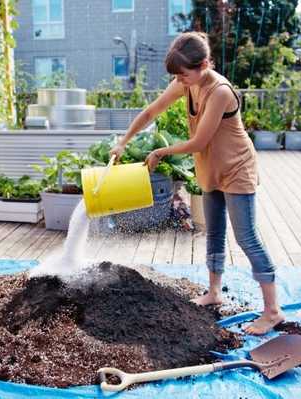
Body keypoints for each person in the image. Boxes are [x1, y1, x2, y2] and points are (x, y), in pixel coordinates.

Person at [109, 31, 284, 335]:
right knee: (213, 231)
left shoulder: (220, 92)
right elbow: (151, 111)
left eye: (184, 73)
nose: (179, 80)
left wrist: (161, 151)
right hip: (210, 167)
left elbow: (199, 140)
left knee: (246, 237)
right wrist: (123, 142)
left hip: (236, 167)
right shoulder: (185, 83)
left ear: (203, 64)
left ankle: (273, 311)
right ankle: (214, 292)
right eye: (176, 75)